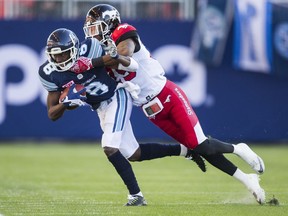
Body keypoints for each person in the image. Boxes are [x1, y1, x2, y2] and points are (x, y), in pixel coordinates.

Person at [81, 4, 266, 204]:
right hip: (150, 110)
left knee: (200, 143)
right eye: (90, 30)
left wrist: (93, 62)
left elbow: (124, 54)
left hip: (167, 95)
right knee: (197, 147)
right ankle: (247, 180)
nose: (94, 35)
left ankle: (238, 149)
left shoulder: (123, 32)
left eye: (96, 29)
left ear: (110, 24)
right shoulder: (101, 52)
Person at [38, 28, 206, 206]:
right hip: (100, 107)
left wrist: (90, 63)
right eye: (55, 56)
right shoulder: (49, 72)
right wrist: (65, 105)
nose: (59, 59)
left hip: (116, 96)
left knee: (109, 147)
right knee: (134, 153)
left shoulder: (91, 48)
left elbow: (122, 61)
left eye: (63, 55)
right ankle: (185, 150)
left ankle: (136, 196)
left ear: (73, 50)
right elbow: (52, 113)